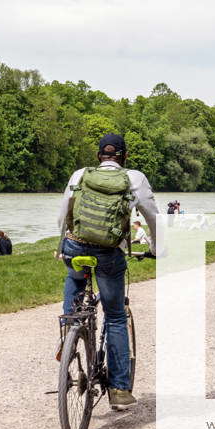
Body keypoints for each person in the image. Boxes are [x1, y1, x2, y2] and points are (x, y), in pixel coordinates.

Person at [57, 133, 159, 411]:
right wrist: (157, 248)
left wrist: (61, 244)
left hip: (74, 247)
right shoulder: (134, 178)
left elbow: (64, 212)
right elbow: (152, 216)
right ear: (124, 156)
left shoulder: (80, 175)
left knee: (75, 279)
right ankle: (118, 389)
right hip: (108, 254)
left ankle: (69, 332)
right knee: (115, 316)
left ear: (99, 156)